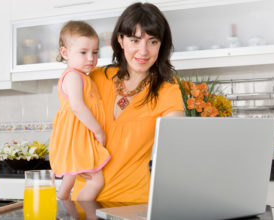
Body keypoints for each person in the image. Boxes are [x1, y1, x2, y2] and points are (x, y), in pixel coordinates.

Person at [71, 2, 185, 202]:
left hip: (132, 206)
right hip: (83, 200)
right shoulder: (96, 78)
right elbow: (68, 122)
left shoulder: (169, 92)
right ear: (121, 40)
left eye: (153, 42)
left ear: (161, 45)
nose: (143, 51)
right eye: (135, 40)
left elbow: (176, 150)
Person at [49, 21, 111, 201]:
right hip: (76, 138)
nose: (91, 58)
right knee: (96, 181)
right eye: (83, 52)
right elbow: (77, 106)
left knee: (70, 178)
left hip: (77, 138)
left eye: (95, 52)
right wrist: (97, 130)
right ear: (65, 53)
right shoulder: (73, 76)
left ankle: (62, 201)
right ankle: (82, 213)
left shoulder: (84, 76)